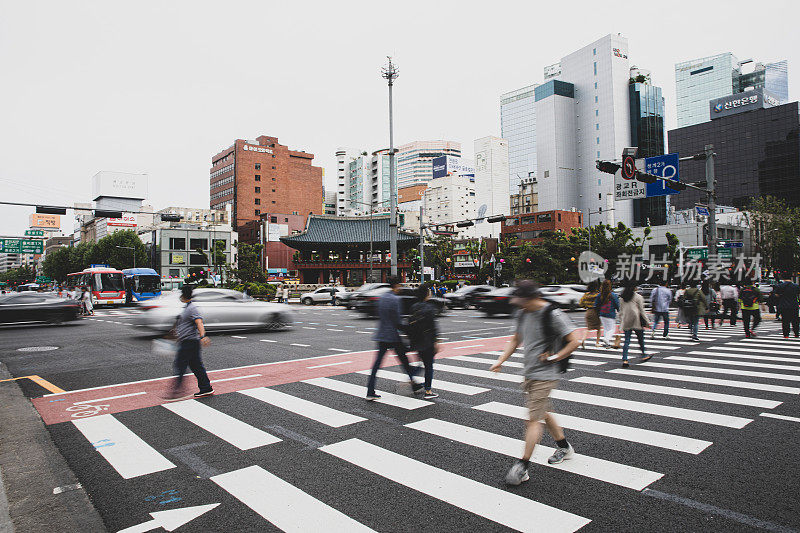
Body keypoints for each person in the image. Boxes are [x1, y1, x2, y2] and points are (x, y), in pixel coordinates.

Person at [490, 280, 581, 485]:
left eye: (522, 301)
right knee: (542, 411)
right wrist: (500, 361)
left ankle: (523, 466)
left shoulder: (553, 314)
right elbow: (516, 338)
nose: (518, 305)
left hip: (546, 374)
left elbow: (576, 339)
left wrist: (555, 357)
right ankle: (564, 447)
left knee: (533, 420)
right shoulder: (523, 313)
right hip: (530, 372)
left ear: (532, 298)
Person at [365, 276, 421, 400]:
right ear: (396, 285)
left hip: (382, 334)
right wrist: (408, 331)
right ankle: (415, 379)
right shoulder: (395, 299)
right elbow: (397, 321)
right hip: (393, 336)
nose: (400, 287)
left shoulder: (382, 297)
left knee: (377, 364)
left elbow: (379, 314)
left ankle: (370, 391)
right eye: (400, 285)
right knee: (405, 361)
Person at [165, 285, 213, 400]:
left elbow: (199, 322)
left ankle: (177, 392)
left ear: (184, 295)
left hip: (189, 342)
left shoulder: (192, 308)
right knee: (196, 366)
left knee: (180, 365)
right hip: (189, 342)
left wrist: (203, 336)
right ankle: (206, 388)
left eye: (181, 294)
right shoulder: (187, 307)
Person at [408, 283, 440, 399]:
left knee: (421, 363)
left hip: (417, 341)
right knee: (429, 366)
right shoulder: (429, 308)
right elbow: (432, 326)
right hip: (428, 341)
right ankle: (428, 391)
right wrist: (436, 341)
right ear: (427, 294)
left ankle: (411, 376)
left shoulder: (414, 307)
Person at [619, 284, 651, 368]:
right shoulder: (638, 297)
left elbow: (621, 312)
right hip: (636, 320)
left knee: (627, 340)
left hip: (626, 320)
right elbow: (642, 311)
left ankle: (625, 359)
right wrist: (647, 322)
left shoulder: (622, 298)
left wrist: (621, 322)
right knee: (640, 339)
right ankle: (644, 354)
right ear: (634, 287)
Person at [594, 280, 620, 348]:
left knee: (606, 328)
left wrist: (597, 312)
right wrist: (619, 311)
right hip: (610, 314)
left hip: (602, 314)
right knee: (612, 329)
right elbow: (617, 304)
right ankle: (606, 339)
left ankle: (607, 343)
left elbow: (596, 305)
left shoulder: (599, 295)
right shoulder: (613, 295)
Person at [774, 274, 800, 338]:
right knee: (795, 321)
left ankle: (786, 335)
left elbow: (776, 295)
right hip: (794, 305)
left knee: (785, 321)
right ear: (790, 278)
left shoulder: (780, 286)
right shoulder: (796, 286)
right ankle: (796, 333)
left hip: (784, 305)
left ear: (783, 279)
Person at [579, 280, 601, 348]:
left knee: (588, 328)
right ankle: (597, 342)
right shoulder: (598, 295)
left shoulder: (586, 295)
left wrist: (585, 306)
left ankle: (583, 339)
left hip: (588, 311)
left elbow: (580, 303)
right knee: (598, 328)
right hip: (596, 312)